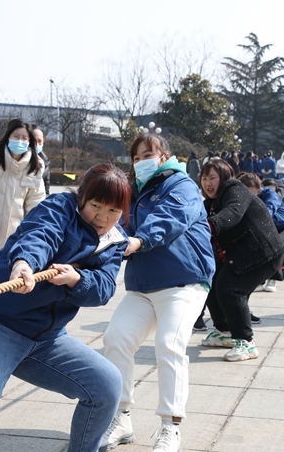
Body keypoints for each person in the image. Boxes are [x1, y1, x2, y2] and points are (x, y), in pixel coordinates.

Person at [0, 164, 131, 452]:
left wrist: (77, 279)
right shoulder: (59, 207)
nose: (102, 217)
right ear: (82, 197)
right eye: (96, 206)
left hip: (46, 338)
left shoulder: (115, 240)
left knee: (107, 386)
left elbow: (104, 287)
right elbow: (39, 236)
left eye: (113, 211)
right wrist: (23, 264)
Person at [100, 133, 215, 452]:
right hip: (143, 286)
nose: (141, 162)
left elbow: (169, 219)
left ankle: (170, 427)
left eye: (148, 155)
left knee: (169, 344)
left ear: (165, 156)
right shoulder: (133, 192)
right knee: (116, 338)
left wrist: (139, 241)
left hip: (184, 282)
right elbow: (116, 227)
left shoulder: (182, 185)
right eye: (136, 158)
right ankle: (121, 418)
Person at [199, 160, 284, 361]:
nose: (208, 183)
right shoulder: (210, 203)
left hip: (264, 253)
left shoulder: (235, 190)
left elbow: (232, 213)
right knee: (211, 281)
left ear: (223, 177)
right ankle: (224, 331)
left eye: (212, 177)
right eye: (204, 178)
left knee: (231, 289)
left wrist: (207, 227)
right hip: (240, 254)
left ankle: (246, 342)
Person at [0, 119, 45, 278]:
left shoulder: (36, 166)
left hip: (18, 231)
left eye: (24, 138)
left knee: (11, 277)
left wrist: (30, 228)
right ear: (8, 136)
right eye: (16, 136)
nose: (20, 141)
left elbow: (36, 201)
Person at [247, 175, 284, 292]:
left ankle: (273, 279)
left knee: (278, 244)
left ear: (258, 188)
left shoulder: (270, 194)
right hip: (269, 232)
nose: (249, 195)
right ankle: (259, 281)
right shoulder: (246, 197)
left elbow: (268, 212)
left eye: (251, 191)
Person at [32, 124, 51, 196]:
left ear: (43, 141)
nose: (36, 144)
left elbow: (46, 191)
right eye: (33, 141)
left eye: (39, 141)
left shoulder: (45, 163)